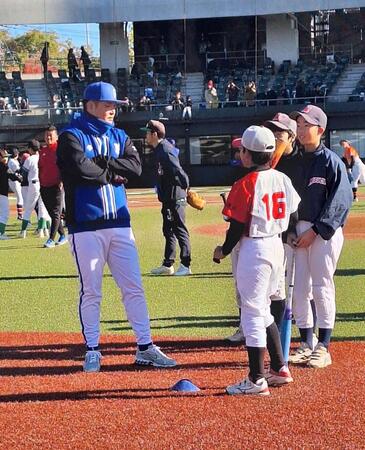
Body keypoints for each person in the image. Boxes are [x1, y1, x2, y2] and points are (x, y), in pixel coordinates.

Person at [56, 81, 176, 372]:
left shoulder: (120, 135)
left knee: (133, 286)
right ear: (91, 105)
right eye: (108, 104)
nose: (113, 110)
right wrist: (111, 173)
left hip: (120, 223)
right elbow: (80, 169)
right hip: (86, 225)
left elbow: (134, 167)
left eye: (115, 106)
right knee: (91, 290)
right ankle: (93, 349)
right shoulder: (70, 135)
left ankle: (145, 346)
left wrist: (104, 164)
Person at [213, 126, 300, 396]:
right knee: (262, 310)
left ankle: (256, 379)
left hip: (255, 248)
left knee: (251, 311)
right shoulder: (283, 178)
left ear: (248, 155)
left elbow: (236, 226)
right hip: (276, 246)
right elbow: (294, 216)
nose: (239, 153)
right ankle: (279, 368)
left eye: (241, 149)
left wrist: (223, 251)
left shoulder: (245, 183)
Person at [288, 105, 353, 368]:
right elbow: (289, 201)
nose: (302, 130)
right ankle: (307, 342)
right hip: (299, 232)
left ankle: (324, 346)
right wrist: (292, 229)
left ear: (320, 130)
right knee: (299, 288)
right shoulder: (294, 163)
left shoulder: (331, 161)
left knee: (321, 286)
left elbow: (341, 201)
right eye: (299, 125)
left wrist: (315, 231)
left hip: (324, 233)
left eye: (307, 125)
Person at [141, 120, 191, 276]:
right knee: (168, 230)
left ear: (154, 134)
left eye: (147, 132)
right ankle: (168, 264)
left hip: (174, 197)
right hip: (167, 198)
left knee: (179, 229)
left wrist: (186, 188)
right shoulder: (159, 149)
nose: (145, 136)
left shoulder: (165, 149)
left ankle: (185, 264)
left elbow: (178, 171)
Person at [39, 125, 67, 248]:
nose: (48, 137)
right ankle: (63, 235)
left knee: (55, 212)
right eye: (46, 135)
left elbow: (65, 167)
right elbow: (41, 168)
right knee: (52, 213)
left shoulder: (60, 150)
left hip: (56, 186)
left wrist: (62, 180)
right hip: (44, 186)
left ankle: (51, 239)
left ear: (56, 136)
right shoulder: (43, 151)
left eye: (51, 135)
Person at [19, 140, 49, 238]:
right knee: (42, 208)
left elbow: (24, 174)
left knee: (28, 208)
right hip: (44, 183)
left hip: (34, 184)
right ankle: (41, 231)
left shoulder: (30, 159)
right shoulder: (43, 156)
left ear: (31, 149)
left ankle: (23, 232)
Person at [0, 149, 22, 239]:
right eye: (4, 157)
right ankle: (1, 233)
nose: (6, 158)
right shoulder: (4, 167)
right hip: (2, 193)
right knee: (5, 213)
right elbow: (13, 177)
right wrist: (20, 178)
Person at [7, 147, 23, 220]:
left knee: (20, 197)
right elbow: (18, 171)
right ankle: (20, 216)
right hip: (15, 182)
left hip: (12, 181)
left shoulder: (11, 160)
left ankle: (20, 215)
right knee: (20, 198)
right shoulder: (13, 161)